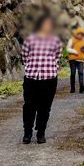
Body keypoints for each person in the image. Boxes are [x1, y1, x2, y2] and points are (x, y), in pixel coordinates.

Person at [21, 12, 62, 144]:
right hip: (31, 77)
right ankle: (27, 132)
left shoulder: (56, 40)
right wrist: (31, 67)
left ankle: (41, 133)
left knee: (45, 107)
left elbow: (58, 56)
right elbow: (24, 56)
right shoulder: (30, 39)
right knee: (29, 106)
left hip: (49, 77)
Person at [66, 27, 84, 94]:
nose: (80, 35)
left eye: (81, 34)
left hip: (80, 59)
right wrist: (74, 51)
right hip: (73, 59)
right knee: (73, 73)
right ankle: (72, 88)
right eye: (79, 34)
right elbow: (67, 49)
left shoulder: (83, 41)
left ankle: (81, 87)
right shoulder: (72, 40)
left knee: (81, 73)